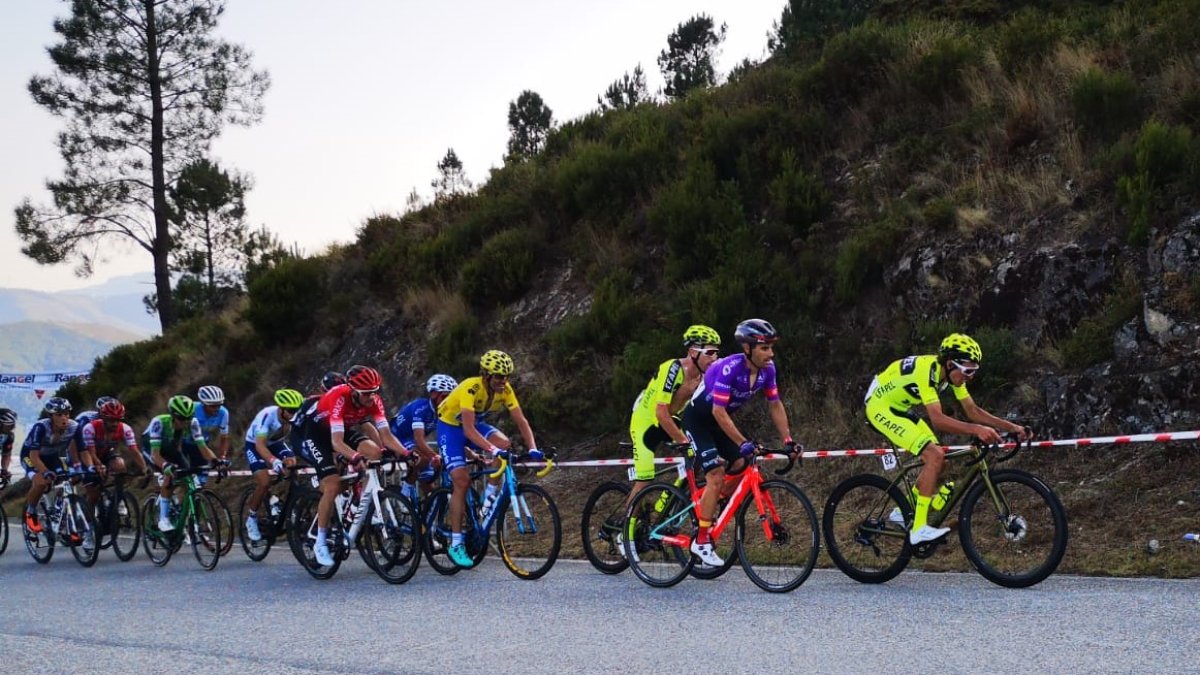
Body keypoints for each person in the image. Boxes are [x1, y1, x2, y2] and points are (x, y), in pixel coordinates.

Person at [865, 333, 1030, 544]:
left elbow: (973, 411)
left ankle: (902, 511)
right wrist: (977, 430)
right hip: (879, 407)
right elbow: (938, 420)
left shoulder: (951, 375)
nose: (971, 377)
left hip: (899, 408)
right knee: (934, 455)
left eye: (974, 370)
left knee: (939, 459)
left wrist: (1013, 427)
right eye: (968, 371)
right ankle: (918, 530)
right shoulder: (927, 371)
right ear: (951, 364)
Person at [682, 319, 797, 567]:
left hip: (718, 422)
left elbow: (775, 404)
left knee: (742, 463)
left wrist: (788, 440)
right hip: (698, 421)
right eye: (764, 348)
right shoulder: (729, 368)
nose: (770, 354)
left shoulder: (768, 370)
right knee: (715, 475)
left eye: (771, 347)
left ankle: (713, 501)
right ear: (747, 348)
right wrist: (743, 441)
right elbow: (718, 411)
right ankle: (701, 541)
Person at [614, 326, 722, 553]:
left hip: (671, 419)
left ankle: (662, 511)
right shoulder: (673, 369)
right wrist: (683, 441)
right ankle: (625, 534)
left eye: (717, 353)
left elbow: (708, 411)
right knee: (645, 479)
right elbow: (661, 412)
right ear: (693, 352)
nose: (715, 358)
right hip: (646, 421)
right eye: (710, 353)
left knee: (697, 460)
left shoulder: (705, 376)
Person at [294, 365, 410, 567]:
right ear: (353, 391)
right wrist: (354, 457)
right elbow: (336, 443)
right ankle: (320, 541)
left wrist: (407, 454)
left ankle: (358, 501)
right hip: (314, 434)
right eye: (366, 393)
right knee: (332, 485)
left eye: (374, 391)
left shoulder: (373, 399)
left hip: (339, 430)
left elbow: (385, 435)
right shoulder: (339, 397)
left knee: (374, 452)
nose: (371, 396)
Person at [436, 350, 541, 568]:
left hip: (475, 426)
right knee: (462, 481)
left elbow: (521, 421)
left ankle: (490, 493)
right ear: (486, 375)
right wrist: (492, 450)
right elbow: (468, 429)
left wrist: (533, 448)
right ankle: (456, 543)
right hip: (451, 428)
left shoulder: (506, 390)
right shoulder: (470, 387)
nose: (504, 381)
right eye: (499, 376)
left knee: (505, 444)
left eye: (507, 376)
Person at [143, 395, 218, 532]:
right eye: (182, 419)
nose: (185, 422)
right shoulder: (159, 422)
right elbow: (155, 455)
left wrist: (216, 461)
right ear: (173, 416)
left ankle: (183, 517)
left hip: (171, 449)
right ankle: (163, 519)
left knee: (189, 480)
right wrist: (165, 466)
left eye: (189, 418)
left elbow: (203, 447)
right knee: (169, 476)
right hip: (152, 449)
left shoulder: (193, 423)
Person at [242, 388, 305, 541]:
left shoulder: (295, 417)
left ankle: (276, 502)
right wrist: (274, 461)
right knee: (264, 481)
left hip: (275, 443)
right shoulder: (267, 416)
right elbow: (260, 446)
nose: (293, 414)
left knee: (291, 463)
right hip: (254, 444)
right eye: (290, 411)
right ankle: (251, 518)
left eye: (296, 410)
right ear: (281, 409)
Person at [19, 397, 86, 534]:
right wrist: (44, 471)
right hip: (31, 456)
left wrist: (85, 468)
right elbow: (34, 456)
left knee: (69, 479)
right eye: (59, 414)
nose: (64, 418)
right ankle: (30, 513)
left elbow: (83, 451)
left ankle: (58, 510)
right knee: (41, 482)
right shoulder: (41, 427)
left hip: (53, 456)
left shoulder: (74, 427)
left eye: (66, 414)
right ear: (51, 416)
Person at [390, 374, 458, 500]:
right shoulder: (421, 408)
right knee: (423, 459)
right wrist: (434, 455)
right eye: (445, 397)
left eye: (451, 398)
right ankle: (405, 493)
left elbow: (453, 437)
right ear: (433, 394)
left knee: (428, 480)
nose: (448, 401)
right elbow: (419, 439)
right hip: (397, 438)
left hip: (412, 440)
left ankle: (428, 509)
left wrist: (471, 454)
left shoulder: (444, 410)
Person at [79, 397, 147, 514]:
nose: (114, 424)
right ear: (103, 418)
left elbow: (134, 451)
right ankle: (89, 518)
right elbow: (90, 452)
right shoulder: (90, 428)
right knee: (94, 495)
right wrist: (98, 465)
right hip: (90, 456)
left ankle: (119, 499)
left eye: (117, 420)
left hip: (106, 453)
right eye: (111, 420)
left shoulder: (125, 428)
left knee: (119, 465)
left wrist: (144, 468)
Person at [193, 385, 232, 470]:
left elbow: (224, 437)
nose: (217, 409)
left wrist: (222, 457)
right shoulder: (193, 409)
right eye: (213, 406)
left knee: (201, 476)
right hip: (184, 443)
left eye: (219, 405)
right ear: (203, 404)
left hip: (203, 444)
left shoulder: (223, 413)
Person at [0, 408, 16, 484]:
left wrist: (4, 470)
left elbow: (6, 454)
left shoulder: (9, 436)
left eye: (12, 425)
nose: (11, 428)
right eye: (8, 426)